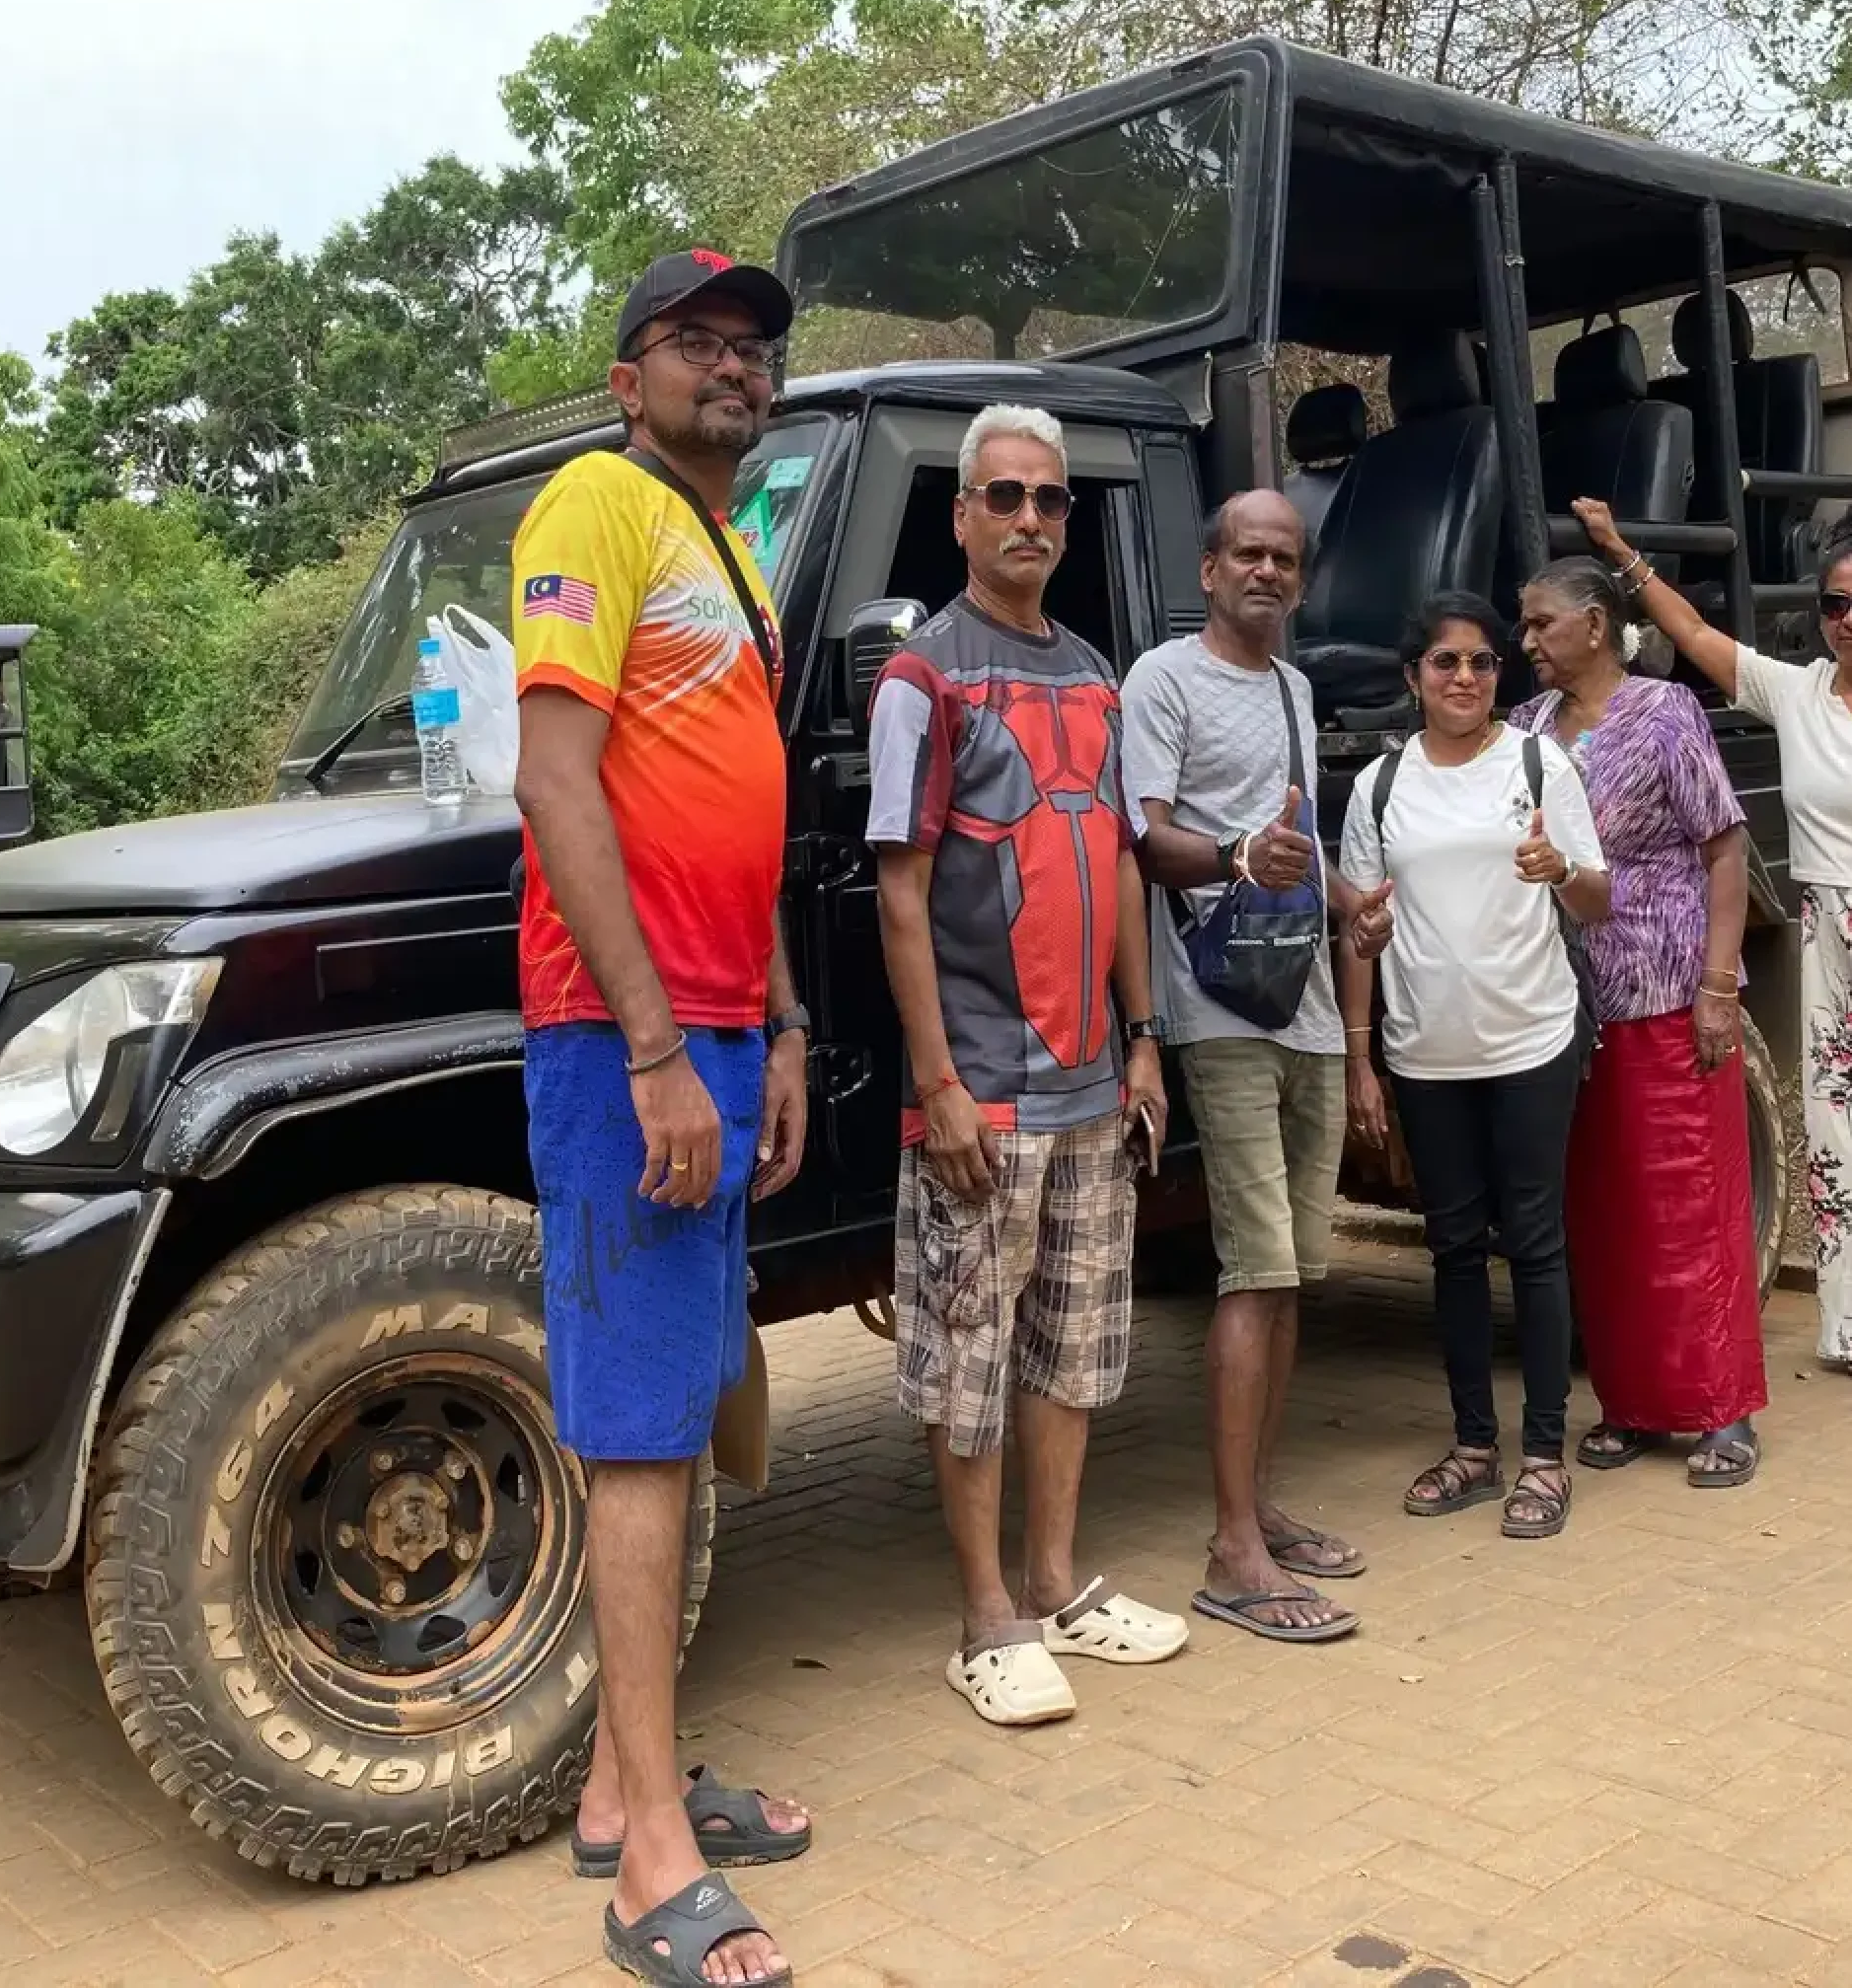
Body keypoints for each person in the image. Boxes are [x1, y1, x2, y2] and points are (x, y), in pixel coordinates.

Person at [512, 250, 815, 1988]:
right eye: (697, 340)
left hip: (711, 1019)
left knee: (680, 1402)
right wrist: (646, 1047)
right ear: (630, 377)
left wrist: (768, 1021)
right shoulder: (596, 502)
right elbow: (555, 775)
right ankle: (652, 1873)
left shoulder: (738, 547)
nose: (734, 365)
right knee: (636, 1426)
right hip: (618, 1031)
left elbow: (739, 805)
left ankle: (635, 1790)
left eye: (754, 344)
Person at [868, 404, 1184, 1729]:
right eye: (1004, 496)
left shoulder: (1096, 673)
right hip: (981, 1093)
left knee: (1072, 1345)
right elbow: (900, 890)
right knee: (968, 1356)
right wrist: (936, 1082)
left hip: (1093, 1082)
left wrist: (1146, 1034)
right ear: (961, 517)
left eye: (1052, 501)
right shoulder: (920, 680)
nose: (1030, 520)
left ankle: (1057, 1586)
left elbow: (1112, 862)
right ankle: (986, 1615)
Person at [1575, 496, 1852, 1413]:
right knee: (1844, 1135)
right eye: (1833, 605)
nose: (1849, 620)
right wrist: (1622, 555)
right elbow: (1696, 636)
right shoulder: (1799, 691)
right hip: (1829, 933)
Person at [1120, 489, 1394, 1643]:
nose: (1268, 573)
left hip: (1310, 1008)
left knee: (1293, 1276)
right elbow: (1147, 840)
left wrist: (1346, 902)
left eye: (1286, 557)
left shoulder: (1294, 685)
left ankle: (1260, 1505)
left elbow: (1298, 840)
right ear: (1210, 564)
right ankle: (1232, 1550)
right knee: (1251, 1271)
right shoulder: (1161, 680)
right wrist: (1237, 852)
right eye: (1250, 554)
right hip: (1221, 1004)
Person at [1335, 594, 1610, 1537]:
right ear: (1412, 676)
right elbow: (1361, 929)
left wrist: (1558, 872)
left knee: (1533, 1243)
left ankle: (1542, 1456)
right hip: (1424, 1051)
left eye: (1483, 663)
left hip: (1531, 1037)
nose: (1464, 678)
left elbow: (1598, 899)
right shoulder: (1378, 787)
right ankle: (1472, 1450)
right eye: (1445, 662)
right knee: (1451, 1250)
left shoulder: (1540, 764)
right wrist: (1360, 1057)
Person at [1513, 559, 1767, 1488]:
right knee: (1606, 1210)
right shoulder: (1527, 728)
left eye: (1541, 624)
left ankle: (1720, 1409)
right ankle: (1631, 1404)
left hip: (1665, 989)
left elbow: (1725, 846)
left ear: (1593, 623)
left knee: (1688, 1203)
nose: (1527, 642)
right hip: (1568, 1005)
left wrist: (1719, 985)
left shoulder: (1665, 712)